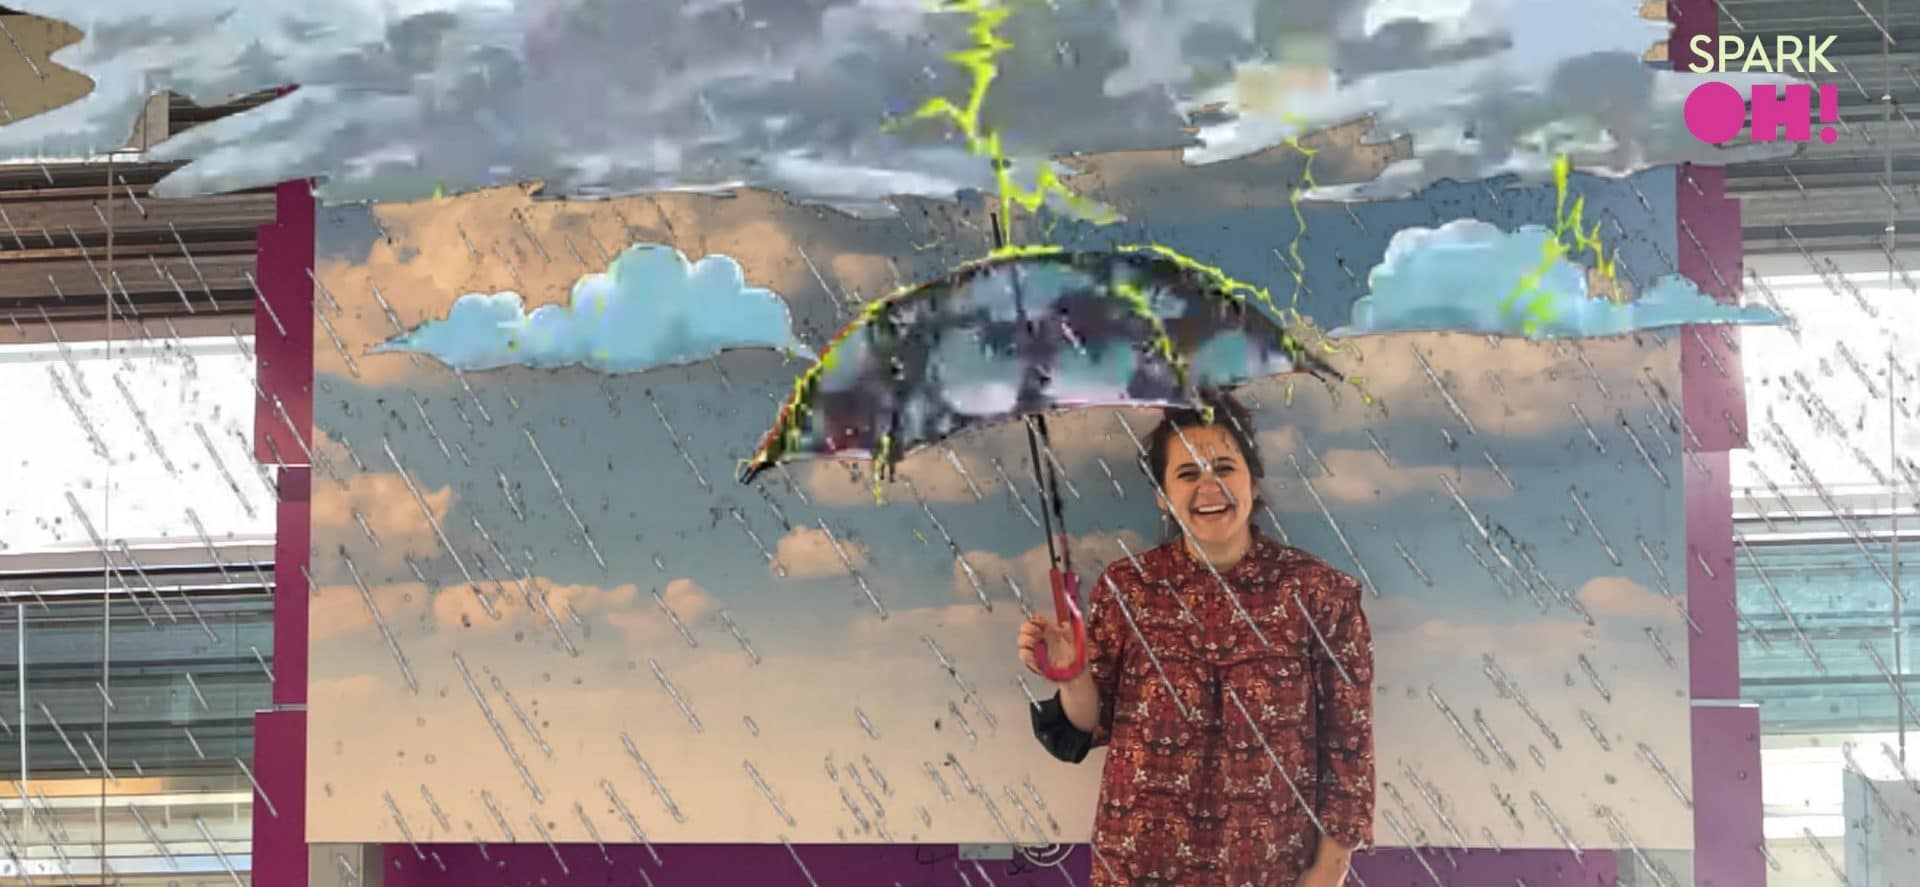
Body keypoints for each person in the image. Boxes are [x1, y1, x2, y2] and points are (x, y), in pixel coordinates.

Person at [1017, 392, 1375, 887]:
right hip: (1138, 870)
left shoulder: (1320, 595)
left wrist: (1328, 871)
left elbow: (1349, 747)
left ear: (1253, 481)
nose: (1209, 487)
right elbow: (1087, 725)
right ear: (1163, 496)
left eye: (1224, 467)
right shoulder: (1127, 589)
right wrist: (1073, 674)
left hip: (1273, 872)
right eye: (1187, 474)